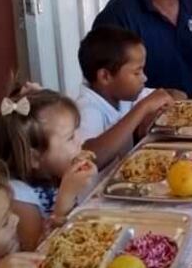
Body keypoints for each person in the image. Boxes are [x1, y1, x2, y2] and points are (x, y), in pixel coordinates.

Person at [0, 87, 97, 250]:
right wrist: (66, 197)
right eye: (70, 137)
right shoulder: (19, 197)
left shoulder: (52, 173)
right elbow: (40, 252)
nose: (80, 141)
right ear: (35, 158)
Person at [75, 26, 179, 169]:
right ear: (105, 76)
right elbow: (89, 158)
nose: (144, 78)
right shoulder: (85, 109)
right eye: (137, 73)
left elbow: (172, 95)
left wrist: (154, 112)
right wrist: (142, 109)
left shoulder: (122, 95)